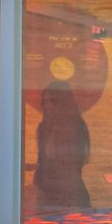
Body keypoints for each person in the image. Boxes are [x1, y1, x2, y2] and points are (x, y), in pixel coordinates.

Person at [33, 81, 91, 210]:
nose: (47, 106)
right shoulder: (44, 128)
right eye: (45, 101)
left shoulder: (74, 128)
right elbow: (42, 162)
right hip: (48, 193)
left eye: (52, 101)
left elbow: (74, 164)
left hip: (69, 194)